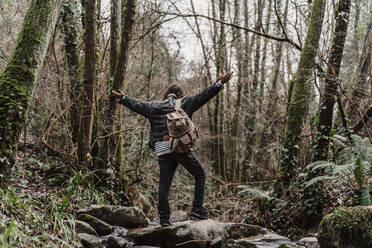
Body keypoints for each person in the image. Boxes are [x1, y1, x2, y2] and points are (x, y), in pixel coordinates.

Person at [112, 71, 234, 227]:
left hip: (162, 149)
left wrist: (123, 98)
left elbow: (137, 105)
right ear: (179, 95)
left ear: (167, 94)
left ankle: (164, 220)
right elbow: (203, 96)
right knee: (200, 174)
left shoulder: (154, 106)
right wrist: (219, 83)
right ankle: (197, 208)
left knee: (164, 184)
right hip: (178, 147)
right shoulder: (184, 103)